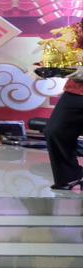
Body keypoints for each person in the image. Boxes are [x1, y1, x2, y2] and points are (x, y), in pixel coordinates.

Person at [45, 21, 83, 195]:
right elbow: (68, 50)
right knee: (55, 130)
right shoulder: (78, 28)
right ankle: (70, 177)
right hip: (76, 89)